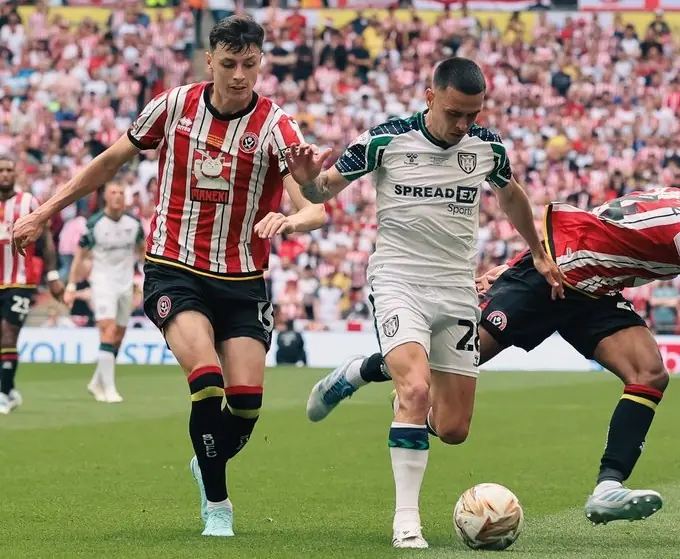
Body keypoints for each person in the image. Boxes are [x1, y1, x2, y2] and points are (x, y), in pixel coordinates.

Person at [13, 16, 326, 537]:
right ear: (210, 60)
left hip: (243, 279)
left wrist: (293, 215)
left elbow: (314, 208)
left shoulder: (276, 127)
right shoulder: (174, 105)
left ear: (261, 63)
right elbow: (109, 162)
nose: (239, 76)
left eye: (250, 64)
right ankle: (218, 506)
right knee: (206, 382)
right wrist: (44, 211)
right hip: (174, 268)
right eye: (229, 63)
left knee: (246, 406)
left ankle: (205, 462)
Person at [285, 57, 563, 549]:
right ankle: (406, 522)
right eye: (455, 113)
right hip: (399, 280)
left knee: (453, 429)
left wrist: (539, 253)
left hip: (456, 289)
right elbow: (320, 190)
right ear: (430, 97)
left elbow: (512, 197)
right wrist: (307, 180)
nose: (463, 125)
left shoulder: (487, 148)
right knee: (415, 390)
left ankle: (363, 370)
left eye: (473, 115)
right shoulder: (385, 140)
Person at [309, 187, 680, 527]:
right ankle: (359, 371)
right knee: (440, 364)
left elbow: (603, 224)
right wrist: (522, 266)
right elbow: (592, 228)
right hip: (547, 276)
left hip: (594, 289)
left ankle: (608, 487)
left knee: (648, 373)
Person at [64, 182, 145, 403]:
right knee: (108, 330)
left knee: (119, 335)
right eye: (113, 193)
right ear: (105, 197)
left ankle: (96, 381)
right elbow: (80, 255)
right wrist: (71, 285)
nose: (118, 196)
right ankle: (109, 389)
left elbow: (142, 251)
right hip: (102, 283)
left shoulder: (134, 223)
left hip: (126, 283)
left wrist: (142, 278)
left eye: (121, 193)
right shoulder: (95, 224)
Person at [0, 156, 63, 414]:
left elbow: (46, 238)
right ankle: (10, 390)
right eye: (1, 170)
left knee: (8, 333)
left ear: (16, 174)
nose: (5, 174)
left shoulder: (29, 202)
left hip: (21, 281)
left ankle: (4, 393)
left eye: (9, 170)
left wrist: (53, 275)